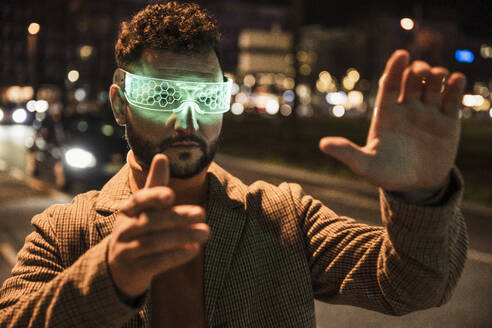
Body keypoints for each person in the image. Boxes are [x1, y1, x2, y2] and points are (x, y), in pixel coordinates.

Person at [0, 1, 468, 327]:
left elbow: (412, 285)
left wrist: (420, 195)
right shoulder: (64, 231)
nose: (189, 118)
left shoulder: (284, 217)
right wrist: (110, 276)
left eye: (207, 96)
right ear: (121, 106)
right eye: (163, 94)